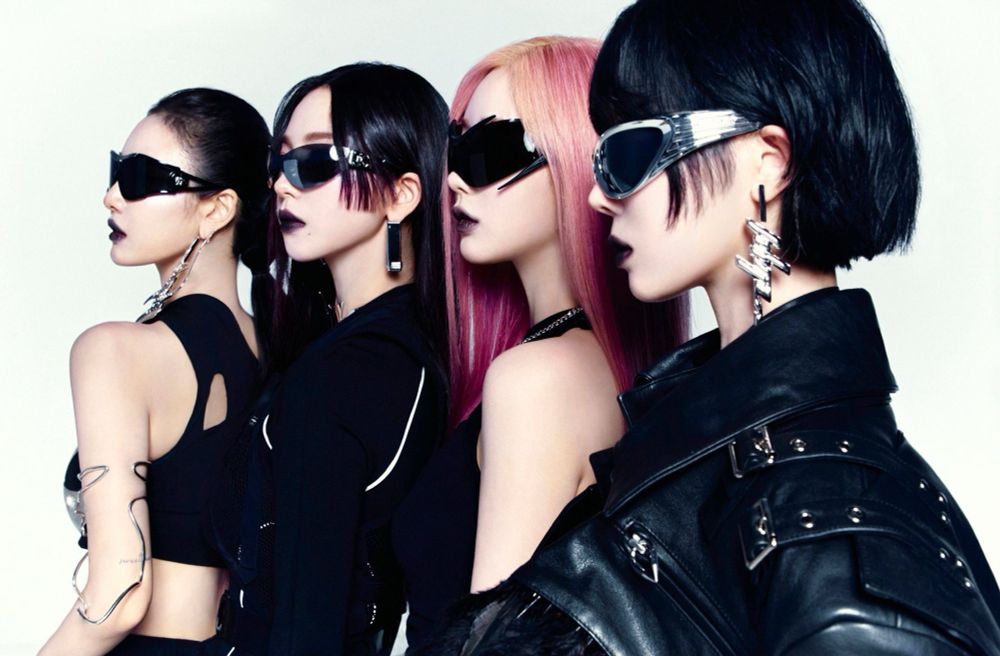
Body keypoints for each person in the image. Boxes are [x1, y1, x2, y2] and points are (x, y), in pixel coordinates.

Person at [432, 1, 1000, 654]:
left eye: (630, 150)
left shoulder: (831, 531)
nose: (597, 195)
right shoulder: (703, 452)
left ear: (767, 163)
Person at [392, 36, 686, 653]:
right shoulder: (599, 364)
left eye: (490, 149)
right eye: (455, 148)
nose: (454, 179)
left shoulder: (537, 378)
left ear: (578, 157)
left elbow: (488, 645)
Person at [210, 63, 450, 656]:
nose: (282, 186)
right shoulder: (407, 347)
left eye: (315, 162)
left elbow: (304, 626)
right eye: (279, 162)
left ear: (401, 194)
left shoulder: (345, 371)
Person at [43, 88, 270, 656]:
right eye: (116, 171)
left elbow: (118, 594)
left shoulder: (113, 351)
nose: (112, 196)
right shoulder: (280, 348)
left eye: (142, 178)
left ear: (217, 209)